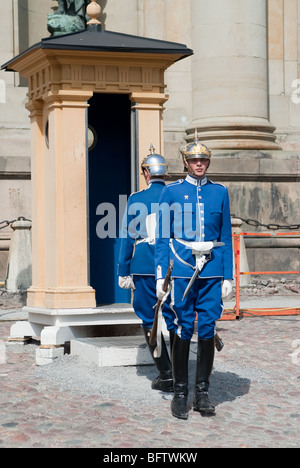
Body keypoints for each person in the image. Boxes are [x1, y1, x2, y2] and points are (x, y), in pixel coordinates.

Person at [155, 133, 233, 419]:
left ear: (208, 162)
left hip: (211, 269)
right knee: (183, 327)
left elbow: (225, 234)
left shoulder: (220, 191)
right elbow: (163, 236)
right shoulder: (171, 192)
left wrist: (228, 276)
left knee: (209, 328)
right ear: (186, 163)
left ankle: (202, 393)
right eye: (194, 160)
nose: (199, 164)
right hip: (183, 268)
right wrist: (160, 276)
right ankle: (179, 393)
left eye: (203, 160)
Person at [118, 146, 175, 393]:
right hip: (174, 265)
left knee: (147, 316)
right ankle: (179, 371)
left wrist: (123, 270)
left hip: (144, 264)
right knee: (173, 316)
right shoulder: (176, 195)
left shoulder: (136, 199)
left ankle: (165, 373)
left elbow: (126, 238)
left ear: (145, 172)